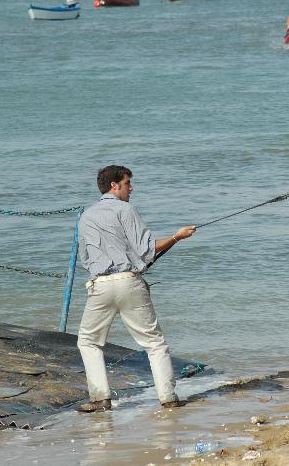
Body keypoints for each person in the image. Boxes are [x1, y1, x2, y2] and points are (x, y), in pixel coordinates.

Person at [75, 165, 197, 412]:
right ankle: (168, 398)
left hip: (99, 285)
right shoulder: (126, 209)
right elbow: (147, 249)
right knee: (154, 343)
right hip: (129, 282)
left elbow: (85, 258)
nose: (131, 188)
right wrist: (177, 237)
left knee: (88, 342)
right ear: (114, 186)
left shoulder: (86, 216)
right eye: (128, 183)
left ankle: (100, 399)